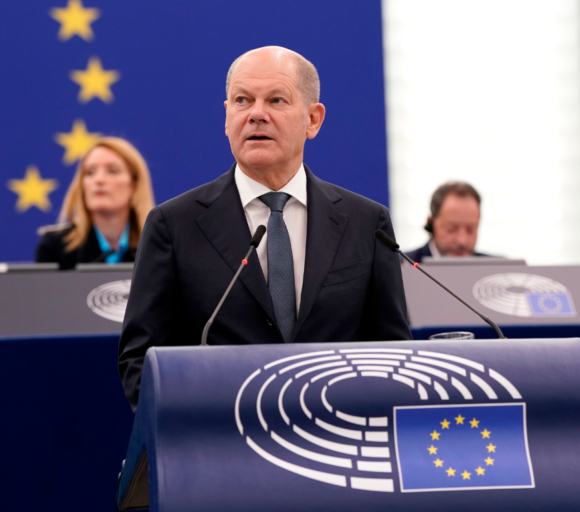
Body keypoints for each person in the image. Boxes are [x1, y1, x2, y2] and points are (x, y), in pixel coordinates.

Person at [118, 46, 411, 411]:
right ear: (227, 117)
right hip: (220, 435)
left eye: (276, 100)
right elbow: (140, 363)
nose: (256, 114)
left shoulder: (367, 223)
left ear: (313, 119)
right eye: (242, 100)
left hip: (339, 435)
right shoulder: (173, 225)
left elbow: (393, 351)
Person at [35, 137, 156, 270]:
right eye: (90, 172)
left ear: (134, 186)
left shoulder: (158, 246)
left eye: (112, 171)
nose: (98, 180)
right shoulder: (54, 246)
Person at [406, 181, 490, 262]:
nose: (462, 241)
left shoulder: (495, 268)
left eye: (470, 230)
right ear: (431, 224)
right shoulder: (402, 266)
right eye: (451, 229)